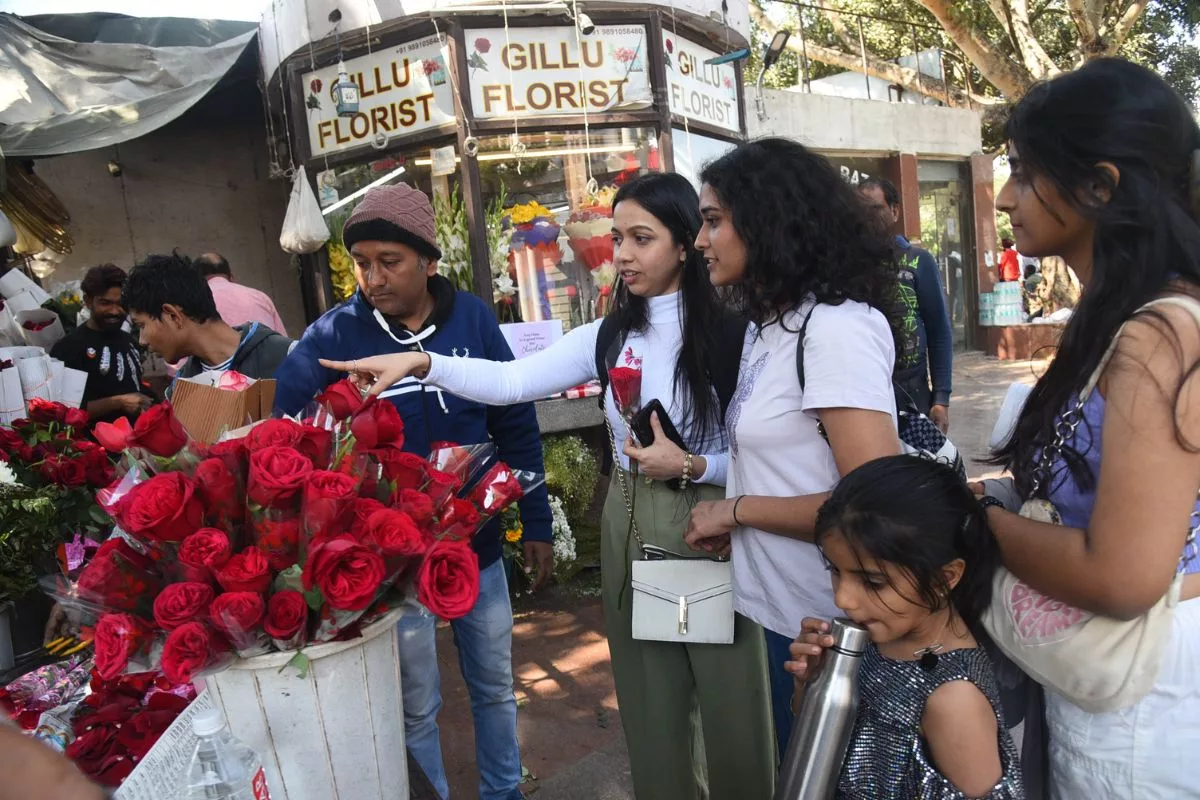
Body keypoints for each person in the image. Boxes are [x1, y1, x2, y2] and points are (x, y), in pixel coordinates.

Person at [318, 174, 775, 800]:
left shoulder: (737, 335)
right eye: (617, 238)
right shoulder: (609, 334)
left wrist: (697, 468)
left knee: (730, 705)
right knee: (651, 703)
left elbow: (763, 453)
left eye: (642, 238)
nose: (621, 255)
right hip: (632, 524)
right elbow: (512, 382)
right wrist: (424, 363)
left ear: (683, 242)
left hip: (708, 529)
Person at [272, 182, 553, 800]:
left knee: (494, 687)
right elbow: (286, 446)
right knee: (415, 705)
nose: (373, 277)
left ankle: (503, 792)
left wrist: (535, 522)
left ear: (429, 261)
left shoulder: (475, 319)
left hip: (474, 554)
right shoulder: (329, 342)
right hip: (390, 568)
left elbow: (515, 424)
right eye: (362, 262)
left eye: (390, 261)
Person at [988, 58, 1200, 796]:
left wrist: (976, 520)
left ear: (1099, 186)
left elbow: (1123, 576)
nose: (1007, 196)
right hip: (1119, 684)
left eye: (1023, 170)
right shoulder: (1125, 321)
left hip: (1145, 698)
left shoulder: (1159, 335)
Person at [684, 138, 902, 756]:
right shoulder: (768, 326)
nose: (701, 241)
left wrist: (736, 511)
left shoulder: (834, 329)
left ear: (770, 220)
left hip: (843, 628)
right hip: (794, 621)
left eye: (714, 221)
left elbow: (874, 507)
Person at [786, 456, 1023, 799]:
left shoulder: (954, 701)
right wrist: (811, 689)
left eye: (872, 582)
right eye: (836, 570)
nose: (843, 599)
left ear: (945, 578)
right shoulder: (872, 639)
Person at [859, 178, 953, 429]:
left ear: (895, 210)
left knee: (919, 464)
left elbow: (939, 331)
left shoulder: (919, 261)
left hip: (914, 392)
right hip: (869, 393)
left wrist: (941, 398)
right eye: (862, 210)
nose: (869, 217)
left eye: (876, 209)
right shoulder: (852, 266)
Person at [121, 252, 293, 386]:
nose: (142, 341)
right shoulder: (182, 392)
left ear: (173, 315)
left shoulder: (287, 357)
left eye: (142, 325)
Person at [49, 264, 152, 422]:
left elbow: (134, 385)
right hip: (93, 444)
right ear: (88, 301)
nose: (114, 311)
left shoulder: (128, 341)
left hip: (135, 441)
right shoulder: (69, 348)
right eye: (105, 303)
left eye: (120, 303)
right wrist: (118, 402)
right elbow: (63, 411)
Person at [194, 252, 288, 335]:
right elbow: (285, 347)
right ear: (231, 277)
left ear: (196, 281)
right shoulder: (261, 297)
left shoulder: (193, 304)